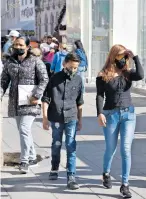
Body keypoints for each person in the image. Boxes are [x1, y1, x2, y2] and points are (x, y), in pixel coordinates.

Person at [96, 44, 143, 198]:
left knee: (126, 149)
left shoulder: (127, 73)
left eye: (125, 56)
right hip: (111, 114)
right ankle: (106, 173)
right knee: (111, 148)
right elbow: (100, 95)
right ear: (113, 56)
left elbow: (141, 75)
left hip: (128, 114)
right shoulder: (103, 73)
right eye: (120, 56)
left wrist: (134, 57)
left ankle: (125, 184)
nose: (123, 59)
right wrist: (100, 113)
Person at [0, 36, 49, 174]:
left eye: (21, 45)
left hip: (30, 101)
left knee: (24, 129)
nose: (18, 47)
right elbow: (3, 81)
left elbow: (44, 79)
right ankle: (33, 157)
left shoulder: (35, 61)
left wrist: (36, 95)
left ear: (28, 47)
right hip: (15, 101)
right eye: (16, 45)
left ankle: (25, 161)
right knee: (24, 131)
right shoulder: (10, 62)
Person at [42, 53, 83, 190]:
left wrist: (80, 120)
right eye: (71, 67)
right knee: (57, 144)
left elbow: (80, 102)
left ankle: (71, 176)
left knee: (71, 146)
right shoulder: (54, 78)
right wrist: (45, 118)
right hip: (56, 117)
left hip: (71, 117)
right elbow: (46, 99)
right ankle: (54, 167)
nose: (73, 70)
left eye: (76, 68)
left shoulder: (78, 80)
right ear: (64, 64)